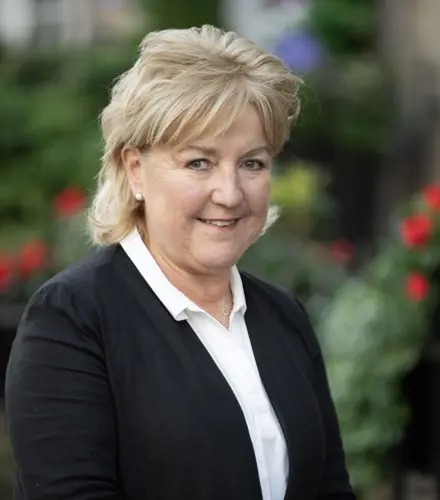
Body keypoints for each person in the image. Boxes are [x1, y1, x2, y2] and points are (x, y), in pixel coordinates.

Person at [5, 25, 354, 500]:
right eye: (198, 162)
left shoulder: (284, 316)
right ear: (135, 170)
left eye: (252, 163)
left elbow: (330, 489)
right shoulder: (73, 319)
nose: (230, 193)